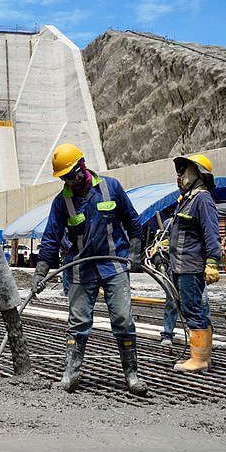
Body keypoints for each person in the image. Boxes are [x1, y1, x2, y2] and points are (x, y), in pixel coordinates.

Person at [34, 143, 148, 396]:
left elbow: (132, 220)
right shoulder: (62, 202)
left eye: (70, 175)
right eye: (63, 178)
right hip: (80, 269)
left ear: (82, 167)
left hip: (114, 265)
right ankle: (71, 373)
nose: (68, 182)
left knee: (123, 319)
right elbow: (51, 239)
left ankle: (132, 374)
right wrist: (41, 272)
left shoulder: (111, 188)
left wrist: (135, 252)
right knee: (78, 322)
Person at [167, 154, 221, 373]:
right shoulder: (187, 200)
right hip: (180, 265)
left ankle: (199, 359)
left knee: (193, 310)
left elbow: (211, 232)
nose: (179, 176)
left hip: (190, 266)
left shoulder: (202, 199)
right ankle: (202, 357)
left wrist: (213, 262)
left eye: (184, 171)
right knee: (191, 309)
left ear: (198, 174)